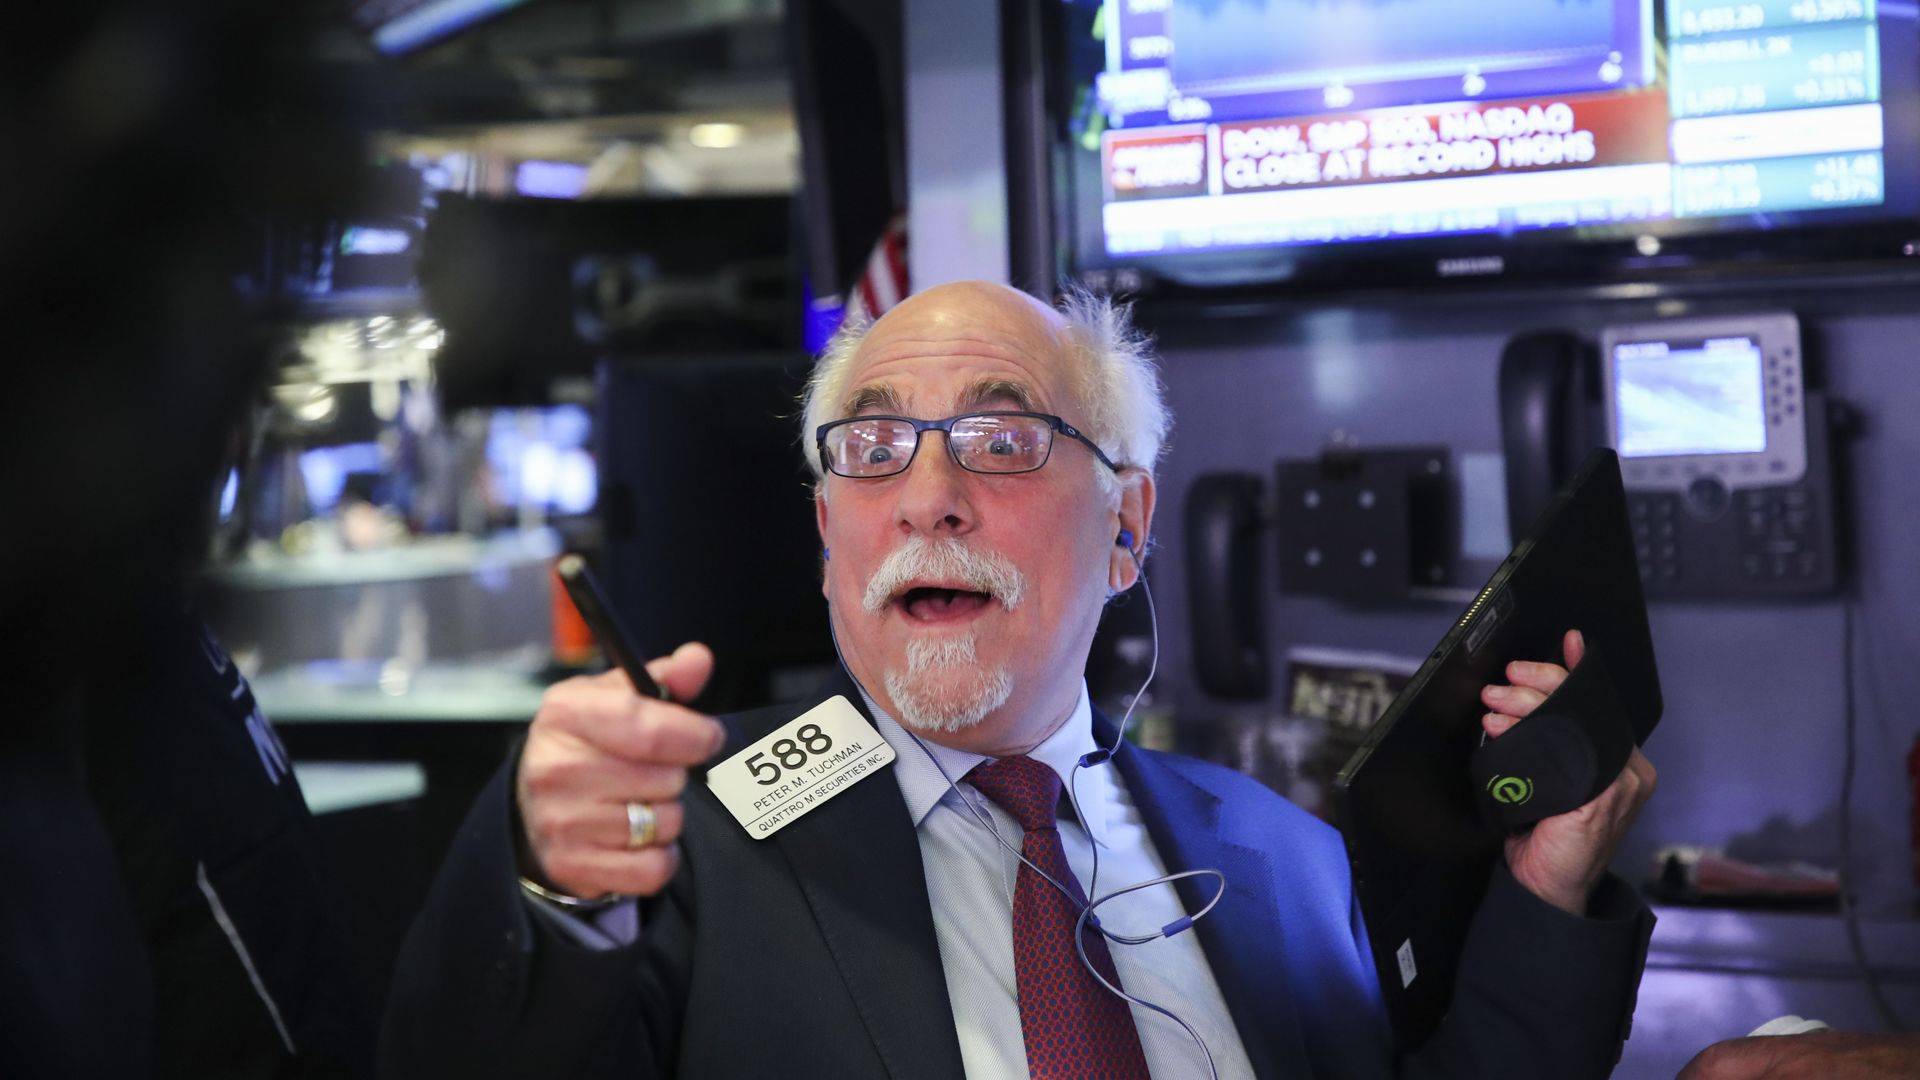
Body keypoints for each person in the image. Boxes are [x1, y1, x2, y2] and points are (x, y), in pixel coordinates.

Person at [381, 280, 1658, 1078]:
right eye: (873, 449)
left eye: (1002, 441)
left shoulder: (1282, 857)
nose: (929, 499)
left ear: (1126, 524)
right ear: (831, 530)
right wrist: (550, 878)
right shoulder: (680, 832)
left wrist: (1547, 893)